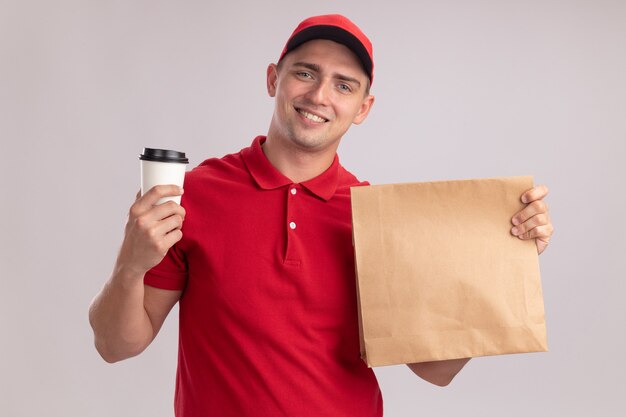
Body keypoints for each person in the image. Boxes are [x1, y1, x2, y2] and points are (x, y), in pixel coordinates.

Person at [89, 14, 554, 417]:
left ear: (363, 108)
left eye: (343, 84)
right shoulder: (199, 193)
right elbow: (116, 345)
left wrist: (504, 256)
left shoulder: (378, 218)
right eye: (305, 73)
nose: (319, 95)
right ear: (273, 79)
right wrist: (131, 264)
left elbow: (435, 369)